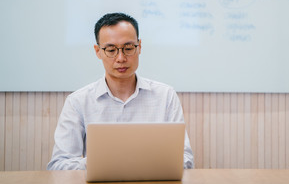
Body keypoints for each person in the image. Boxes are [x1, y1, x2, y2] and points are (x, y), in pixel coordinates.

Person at [47, 12, 194, 170]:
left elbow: (186, 161)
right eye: (111, 50)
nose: (121, 58)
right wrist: (101, 162)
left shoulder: (165, 96)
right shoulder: (78, 101)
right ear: (98, 51)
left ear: (139, 47)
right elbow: (58, 165)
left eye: (128, 48)